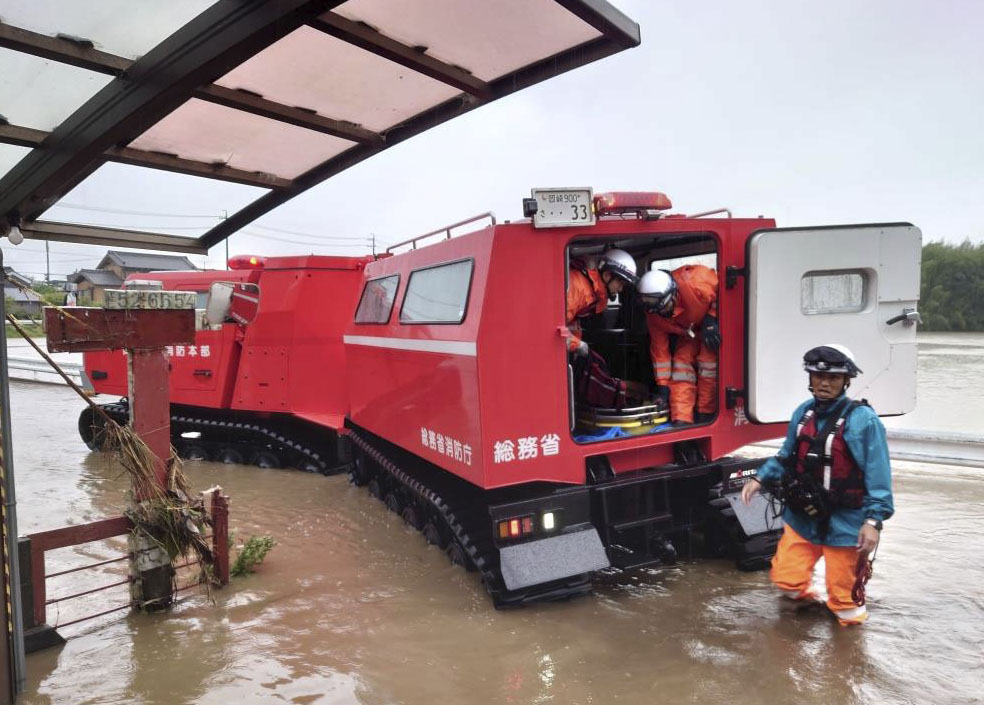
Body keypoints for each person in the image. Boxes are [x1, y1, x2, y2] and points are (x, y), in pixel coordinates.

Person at [741, 344, 893, 626]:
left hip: (846, 523)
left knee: (845, 603)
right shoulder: (803, 413)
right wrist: (760, 478)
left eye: (833, 378)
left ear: (846, 381)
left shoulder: (864, 422)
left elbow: (879, 477)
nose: (824, 383)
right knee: (787, 581)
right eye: (817, 376)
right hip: (803, 517)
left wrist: (873, 522)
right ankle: (804, 620)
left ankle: (846, 653)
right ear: (810, 378)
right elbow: (786, 455)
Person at [637, 265, 720, 424]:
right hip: (690, 334)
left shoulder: (696, 281)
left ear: (674, 294)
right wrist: (662, 387)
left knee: (708, 365)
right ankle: (682, 420)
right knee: (681, 368)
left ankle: (706, 415)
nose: (664, 314)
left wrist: (712, 318)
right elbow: (660, 351)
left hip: (710, 329)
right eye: (658, 311)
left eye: (666, 307)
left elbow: (724, 289)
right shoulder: (654, 316)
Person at [565, 248, 637, 357]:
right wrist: (576, 345)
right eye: (620, 283)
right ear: (607, 275)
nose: (621, 289)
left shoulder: (596, 295)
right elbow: (550, 326)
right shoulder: (578, 288)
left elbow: (571, 324)